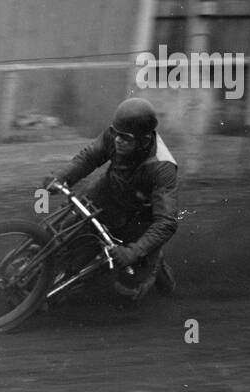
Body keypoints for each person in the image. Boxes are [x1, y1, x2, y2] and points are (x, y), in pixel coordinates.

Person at [46, 97, 178, 299]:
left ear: (143, 141)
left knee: (126, 289)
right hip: (108, 193)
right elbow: (89, 157)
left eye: (125, 138)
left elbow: (166, 222)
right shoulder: (116, 132)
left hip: (139, 220)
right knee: (64, 231)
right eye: (116, 133)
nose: (117, 140)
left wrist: (133, 252)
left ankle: (154, 264)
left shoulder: (163, 167)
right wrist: (61, 177)